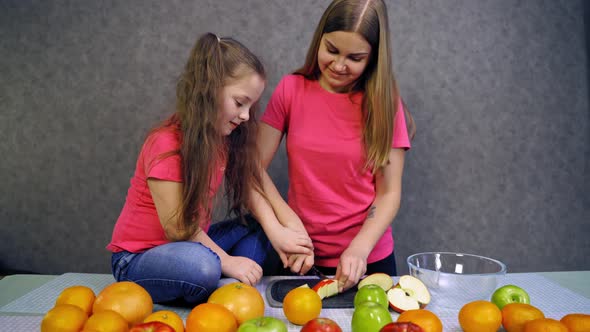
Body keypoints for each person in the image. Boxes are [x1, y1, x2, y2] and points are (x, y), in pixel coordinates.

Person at [106, 33, 313, 305]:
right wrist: (227, 261)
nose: (246, 116)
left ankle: (224, 282)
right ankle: (221, 277)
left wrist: (285, 234)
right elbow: (179, 227)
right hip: (140, 257)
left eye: (251, 106)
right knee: (202, 266)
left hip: (191, 244)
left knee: (259, 227)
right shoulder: (166, 143)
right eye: (240, 103)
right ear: (209, 90)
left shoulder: (221, 141)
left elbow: (254, 186)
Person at [258, 0, 416, 292]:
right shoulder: (291, 89)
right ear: (319, 40)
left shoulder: (385, 104)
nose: (339, 65)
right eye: (331, 50)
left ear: (373, 58)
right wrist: (285, 225)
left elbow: (389, 192)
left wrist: (360, 248)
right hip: (298, 256)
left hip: (367, 261)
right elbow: (251, 168)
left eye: (354, 58)